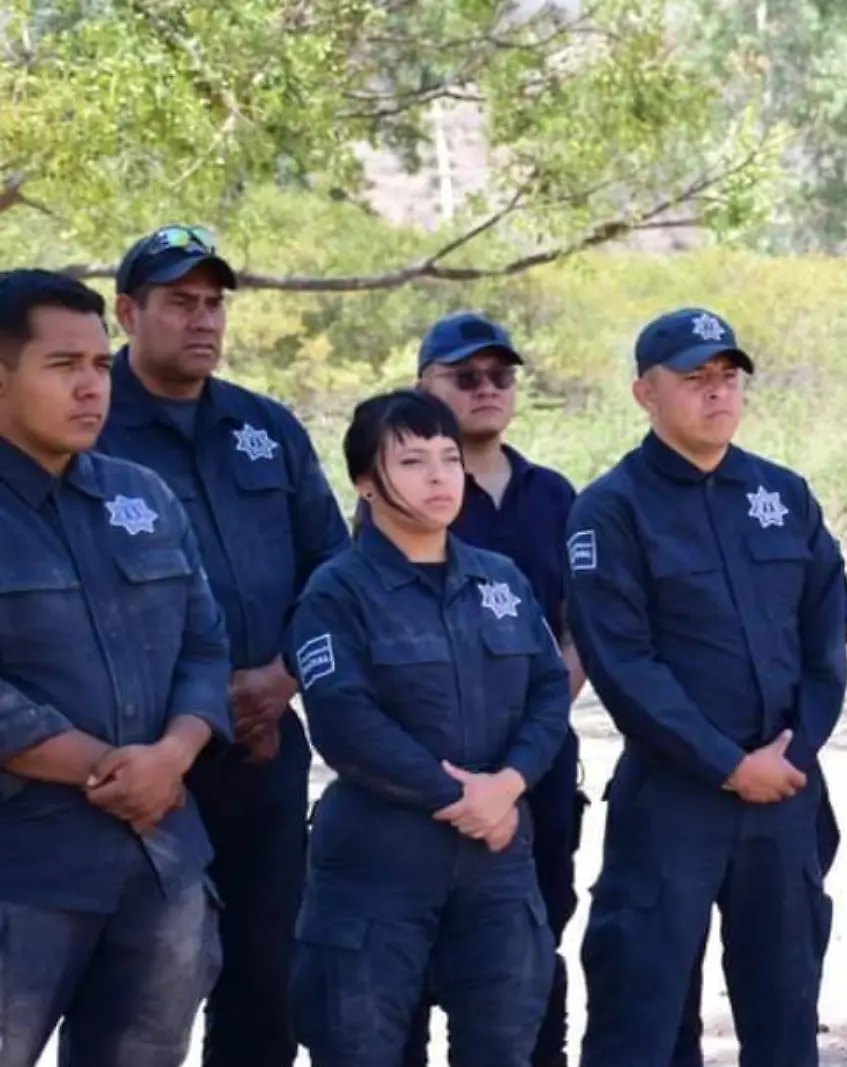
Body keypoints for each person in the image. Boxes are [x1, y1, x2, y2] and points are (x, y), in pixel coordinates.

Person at [92, 223, 350, 1067]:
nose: (202, 320)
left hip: (262, 746)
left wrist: (282, 679)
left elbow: (334, 574)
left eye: (214, 304)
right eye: (178, 303)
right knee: (135, 992)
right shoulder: (89, 427)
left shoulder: (266, 429)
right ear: (128, 312)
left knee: (265, 980)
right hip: (139, 756)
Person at [568, 307, 847, 1067]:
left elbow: (825, 638)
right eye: (695, 379)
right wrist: (729, 763)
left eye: (728, 377)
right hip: (674, 798)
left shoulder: (783, 494)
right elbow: (624, 664)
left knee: (786, 1009)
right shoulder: (611, 509)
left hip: (786, 790)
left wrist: (798, 747)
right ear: (645, 394)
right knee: (645, 1015)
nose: (718, 394)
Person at [285, 389, 569, 1065]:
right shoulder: (337, 590)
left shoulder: (500, 579)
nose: (441, 476)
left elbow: (548, 689)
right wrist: (462, 798)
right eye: (413, 461)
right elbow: (344, 719)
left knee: (502, 1046)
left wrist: (508, 783)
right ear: (364, 482)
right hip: (379, 865)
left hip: (498, 859)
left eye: (449, 457)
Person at [0, 269, 231, 1067]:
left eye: (101, 366)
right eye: (63, 367)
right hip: (24, 867)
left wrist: (171, 757)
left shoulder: (144, 497)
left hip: (159, 863)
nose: (91, 387)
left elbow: (206, 645)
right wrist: (109, 768)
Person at [400, 312, 586, 1067]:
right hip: (432, 770)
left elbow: (583, 627)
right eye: (464, 376)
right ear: (425, 388)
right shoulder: (402, 493)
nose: (485, 389)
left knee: (535, 943)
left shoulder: (555, 495)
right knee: (415, 953)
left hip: (537, 764)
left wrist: (533, 729)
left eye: (499, 376)